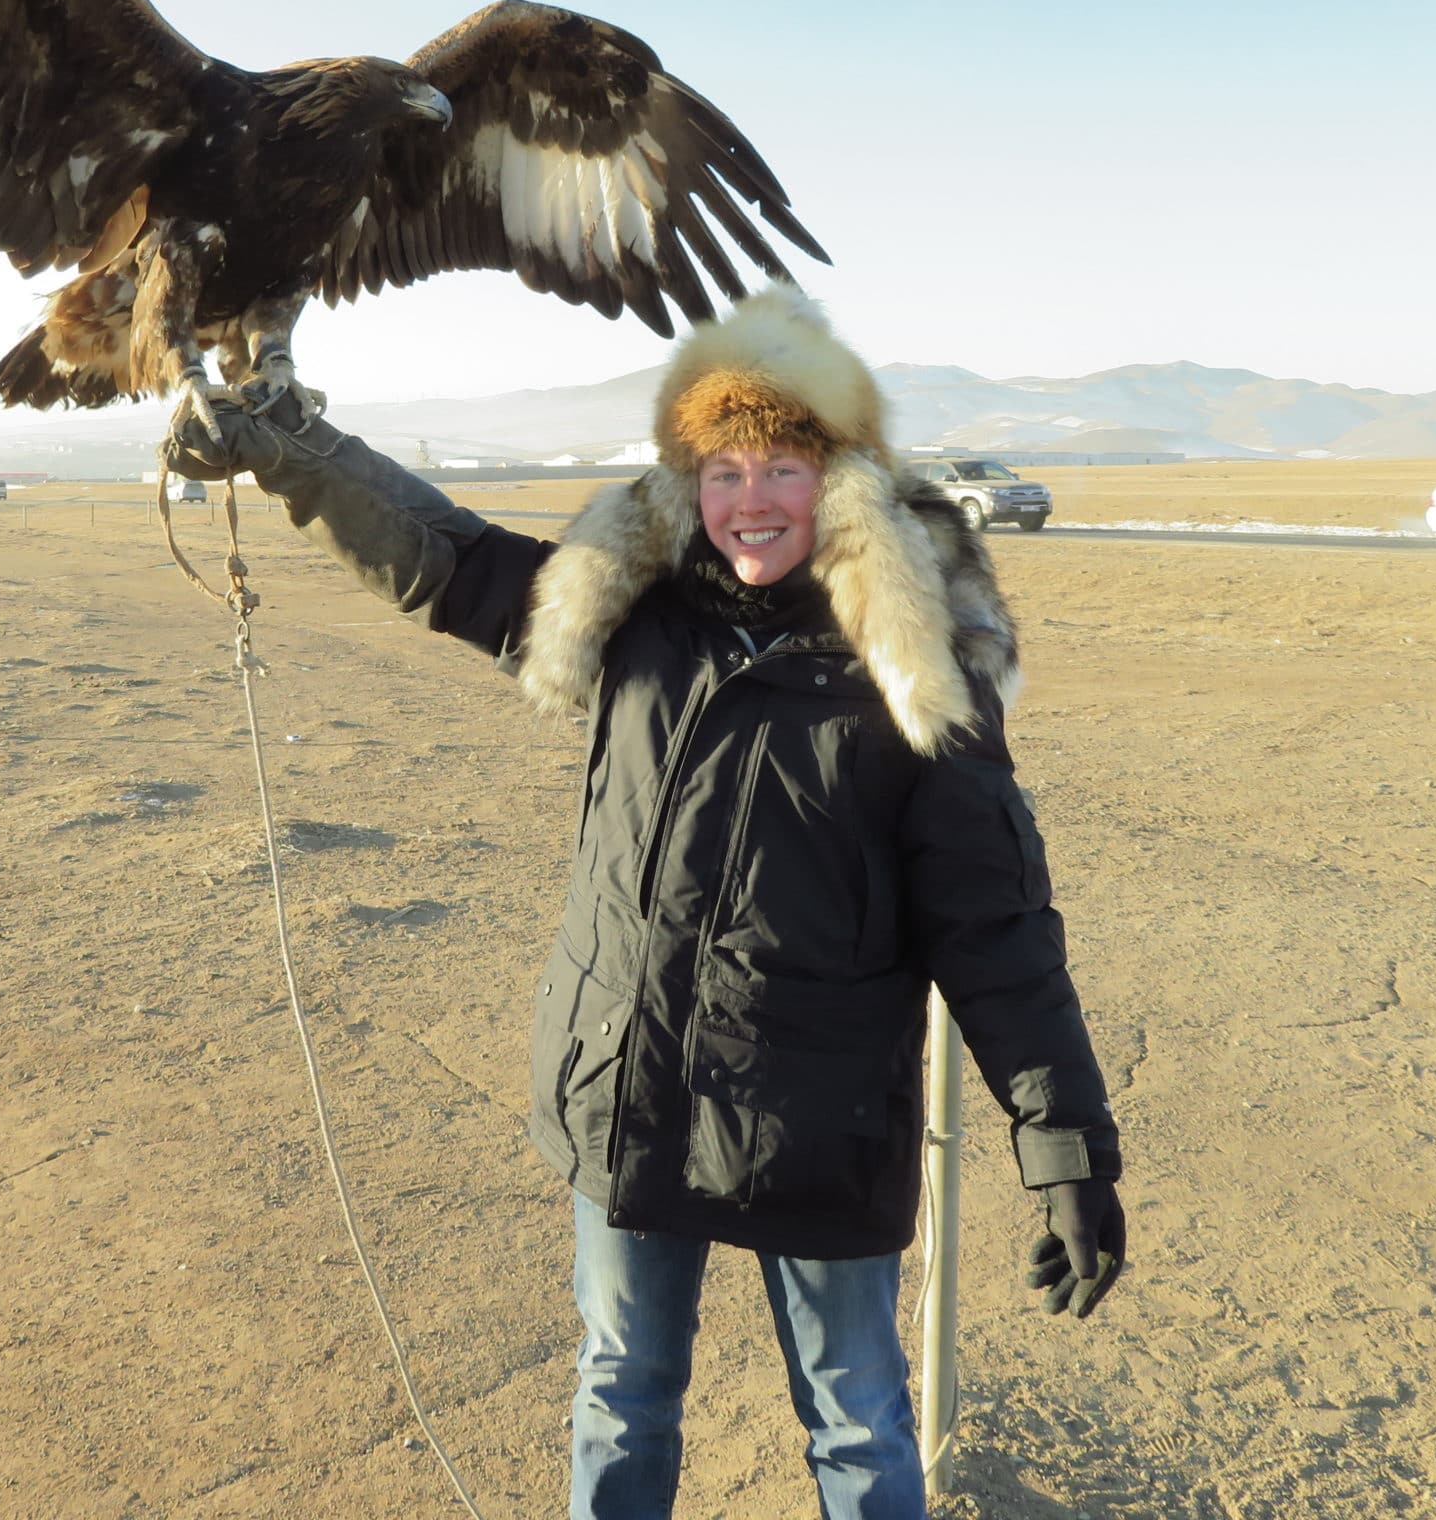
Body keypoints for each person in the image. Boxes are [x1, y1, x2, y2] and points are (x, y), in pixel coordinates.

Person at [166, 288, 1123, 1520]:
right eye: (724, 469)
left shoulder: (907, 673)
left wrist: (1065, 1153)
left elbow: (996, 933)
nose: (753, 500)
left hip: (820, 1119)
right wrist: (286, 445)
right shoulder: (632, 616)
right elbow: (439, 554)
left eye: (785, 464)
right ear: (685, 486)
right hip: (632, 1089)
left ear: (842, 482)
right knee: (622, 1390)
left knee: (858, 1422)